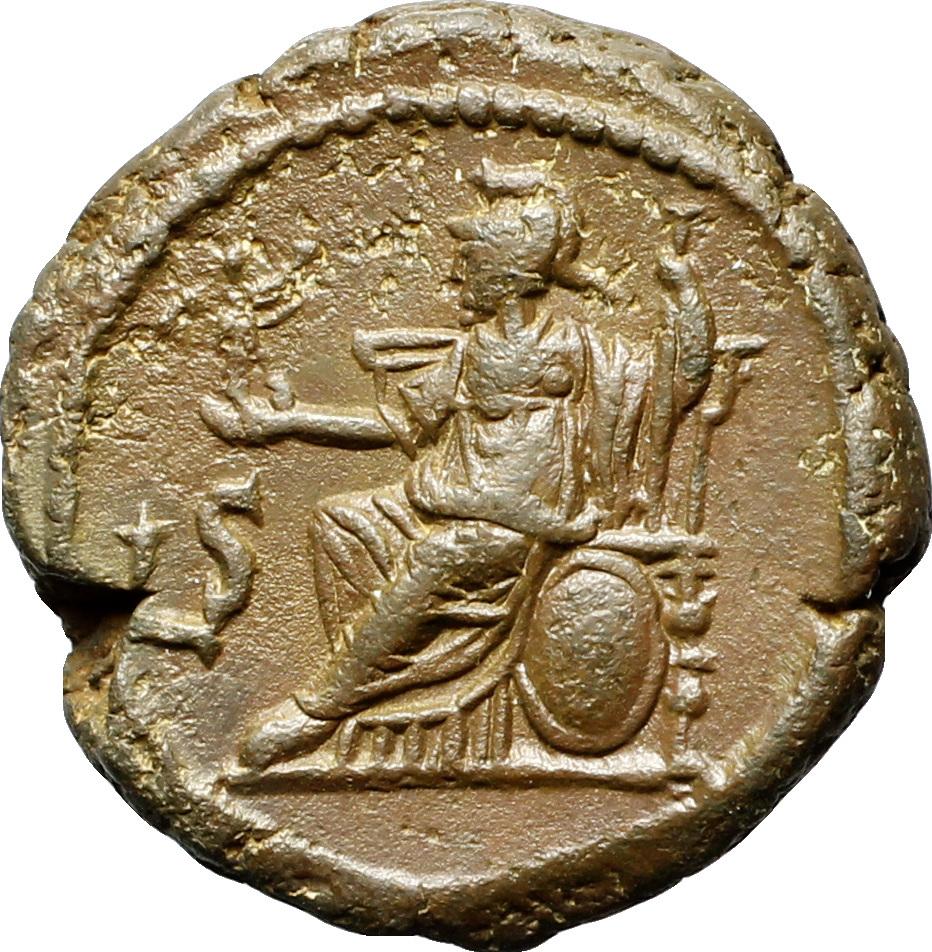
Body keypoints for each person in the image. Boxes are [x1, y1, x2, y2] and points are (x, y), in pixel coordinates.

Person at [201, 160, 714, 771]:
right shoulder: (474, 351)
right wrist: (285, 423)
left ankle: (322, 709)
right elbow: (399, 425)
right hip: (454, 502)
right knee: (339, 520)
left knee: (439, 554)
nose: (454, 274)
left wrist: (683, 286)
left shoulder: (582, 348)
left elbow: (674, 382)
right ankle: (379, 684)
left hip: (523, 526)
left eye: (468, 262)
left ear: (510, 273)